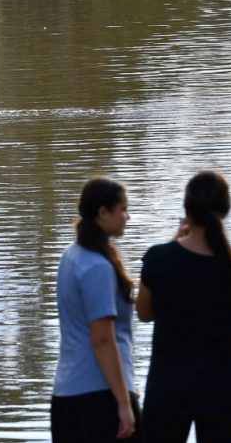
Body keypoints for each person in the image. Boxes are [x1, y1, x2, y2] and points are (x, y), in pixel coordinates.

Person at [136, 171, 231, 443]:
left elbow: (144, 314)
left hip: (168, 391)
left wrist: (173, 244)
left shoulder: (158, 258)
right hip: (225, 391)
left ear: (186, 210)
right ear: (225, 210)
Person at [51, 177, 140, 442]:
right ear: (103, 212)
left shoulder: (70, 256)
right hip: (101, 397)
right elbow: (102, 339)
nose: (127, 216)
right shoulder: (98, 267)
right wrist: (123, 402)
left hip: (66, 394)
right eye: (123, 209)